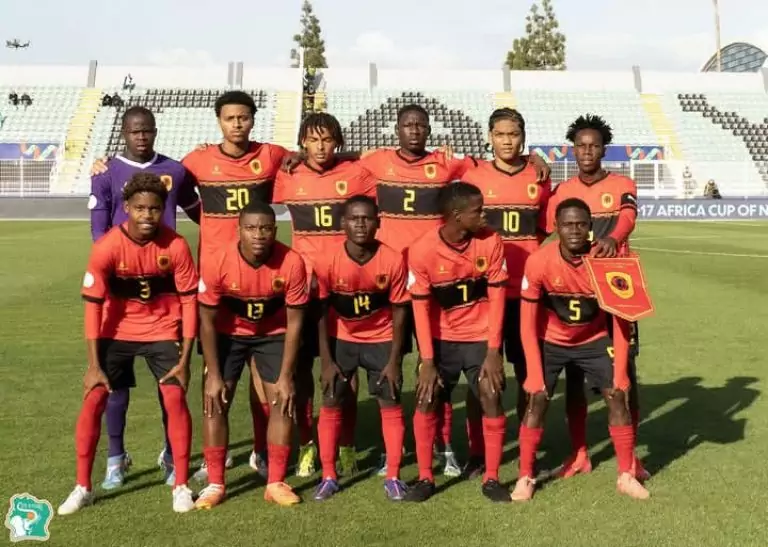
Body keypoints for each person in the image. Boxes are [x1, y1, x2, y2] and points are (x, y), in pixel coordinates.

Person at [91, 91, 291, 482]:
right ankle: (214, 456)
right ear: (219, 121)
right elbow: (177, 197)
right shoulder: (194, 162)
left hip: (261, 275)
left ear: (252, 119)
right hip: (212, 280)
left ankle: (260, 450)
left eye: (244, 117)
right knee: (214, 369)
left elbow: (311, 157)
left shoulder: (271, 155)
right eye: (230, 118)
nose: (237, 124)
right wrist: (102, 165)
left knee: (260, 369)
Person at [58, 173, 198, 515]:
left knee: (174, 397)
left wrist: (185, 359)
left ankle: (181, 485)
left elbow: (189, 302)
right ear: (126, 208)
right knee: (93, 399)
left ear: (163, 209)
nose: (147, 215)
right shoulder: (107, 247)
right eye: (140, 208)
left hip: (163, 331)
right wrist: (94, 365)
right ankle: (83, 487)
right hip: (116, 332)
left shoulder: (176, 246)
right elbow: (93, 307)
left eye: (154, 209)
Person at [89, 106, 201, 490]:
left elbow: (199, 210)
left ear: (155, 131)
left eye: (147, 131)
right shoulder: (106, 172)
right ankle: (116, 458)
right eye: (134, 131)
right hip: (120, 296)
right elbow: (98, 230)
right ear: (124, 133)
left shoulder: (176, 170)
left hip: (165, 293)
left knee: (168, 384)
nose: (141, 137)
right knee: (114, 386)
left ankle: (171, 454)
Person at [512, 197, 649, 501]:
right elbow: (526, 324)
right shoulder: (538, 261)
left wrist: (620, 372)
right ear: (556, 227)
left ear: (590, 227)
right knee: (536, 399)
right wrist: (534, 373)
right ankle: (525, 476)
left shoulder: (608, 261)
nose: (574, 230)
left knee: (617, 395)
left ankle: (626, 475)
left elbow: (621, 321)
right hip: (551, 341)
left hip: (594, 340)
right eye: (567, 224)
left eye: (581, 224)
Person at [273, 113, 376, 477]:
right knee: (300, 373)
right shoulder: (287, 174)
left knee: (346, 370)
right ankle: (307, 444)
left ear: (338, 142)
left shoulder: (357, 174)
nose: (320, 147)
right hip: (302, 289)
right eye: (313, 140)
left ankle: (346, 443)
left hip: (345, 287)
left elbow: (380, 163)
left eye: (328, 140)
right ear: (302, 142)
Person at [545, 114, 647, 481]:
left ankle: (631, 459)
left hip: (617, 291)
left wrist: (613, 239)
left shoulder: (622, 183)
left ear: (604, 150)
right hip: (575, 292)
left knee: (625, 378)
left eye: (594, 145)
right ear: (572, 150)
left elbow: (629, 217)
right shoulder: (562, 191)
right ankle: (579, 453)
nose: (587, 151)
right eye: (581, 146)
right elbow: (547, 230)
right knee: (574, 378)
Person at [195, 200, 307, 509]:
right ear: (239, 230)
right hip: (227, 335)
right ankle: (216, 483)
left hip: (272, 335)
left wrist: (286, 376)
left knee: (282, 401)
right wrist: (213, 375)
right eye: (251, 228)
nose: (258, 235)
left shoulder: (292, 262)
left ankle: (276, 482)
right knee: (215, 402)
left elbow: (295, 323)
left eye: (266, 228)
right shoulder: (217, 261)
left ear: (275, 231)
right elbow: (206, 321)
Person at [460, 108, 551, 478]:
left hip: (529, 294)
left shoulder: (539, 176)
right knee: (481, 376)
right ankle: (477, 450)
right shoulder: (473, 176)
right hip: (486, 294)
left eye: (513, 134)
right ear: (490, 137)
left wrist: (537, 159)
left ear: (523, 137)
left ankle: (525, 444)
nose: (507, 141)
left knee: (529, 372)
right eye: (500, 134)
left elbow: (544, 229)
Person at [405, 182, 509, 503]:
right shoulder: (422, 250)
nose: (485, 215)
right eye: (478, 210)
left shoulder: (491, 241)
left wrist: (494, 351)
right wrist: (427, 360)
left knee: (491, 394)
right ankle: (425, 477)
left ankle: (492, 478)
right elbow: (420, 309)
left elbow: (498, 298)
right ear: (457, 215)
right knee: (427, 397)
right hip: (442, 340)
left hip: (481, 338)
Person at [313, 196, 409, 501]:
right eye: (354, 218)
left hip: (381, 338)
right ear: (343, 223)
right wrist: (326, 361)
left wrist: (395, 360)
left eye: (367, 218)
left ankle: (393, 475)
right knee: (331, 400)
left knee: (390, 400)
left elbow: (400, 311)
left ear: (378, 223)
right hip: (341, 338)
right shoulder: (326, 260)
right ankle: (329, 475)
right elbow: (320, 312)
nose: (360, 224)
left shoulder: (392, 259)